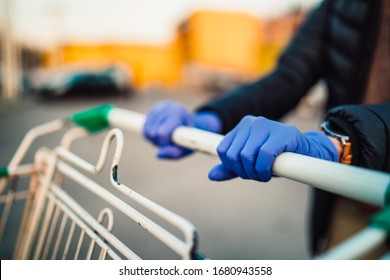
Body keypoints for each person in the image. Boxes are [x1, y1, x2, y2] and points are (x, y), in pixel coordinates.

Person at [142, 0, 390, 256]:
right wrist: (210, 118)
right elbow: (287, 78)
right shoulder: (340, 6)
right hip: (351, 186)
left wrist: (341, 140)